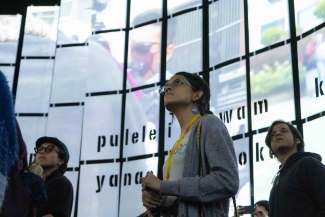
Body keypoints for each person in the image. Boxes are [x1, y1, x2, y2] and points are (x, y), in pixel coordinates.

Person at [141, 72, 239, 217]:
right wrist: (155, 203)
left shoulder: (209, 123)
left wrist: (163, 186)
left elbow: (227, 181)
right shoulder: (179, 141)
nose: (168, 88)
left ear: (197, 95)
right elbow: (177, 198)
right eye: (166, 86)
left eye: (178, 82)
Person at [265, 120, 325, 217]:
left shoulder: (308, 164)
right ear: (271, 148)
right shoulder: (277, 180)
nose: (278, 134)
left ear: (297, 140)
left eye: (284, 131)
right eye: (273, 134)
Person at [34, 136, 73, 217]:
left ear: (61, 160)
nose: (42, 152)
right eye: (40, 149)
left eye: (50, 149)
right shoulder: (33, 184)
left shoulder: (60, 182)